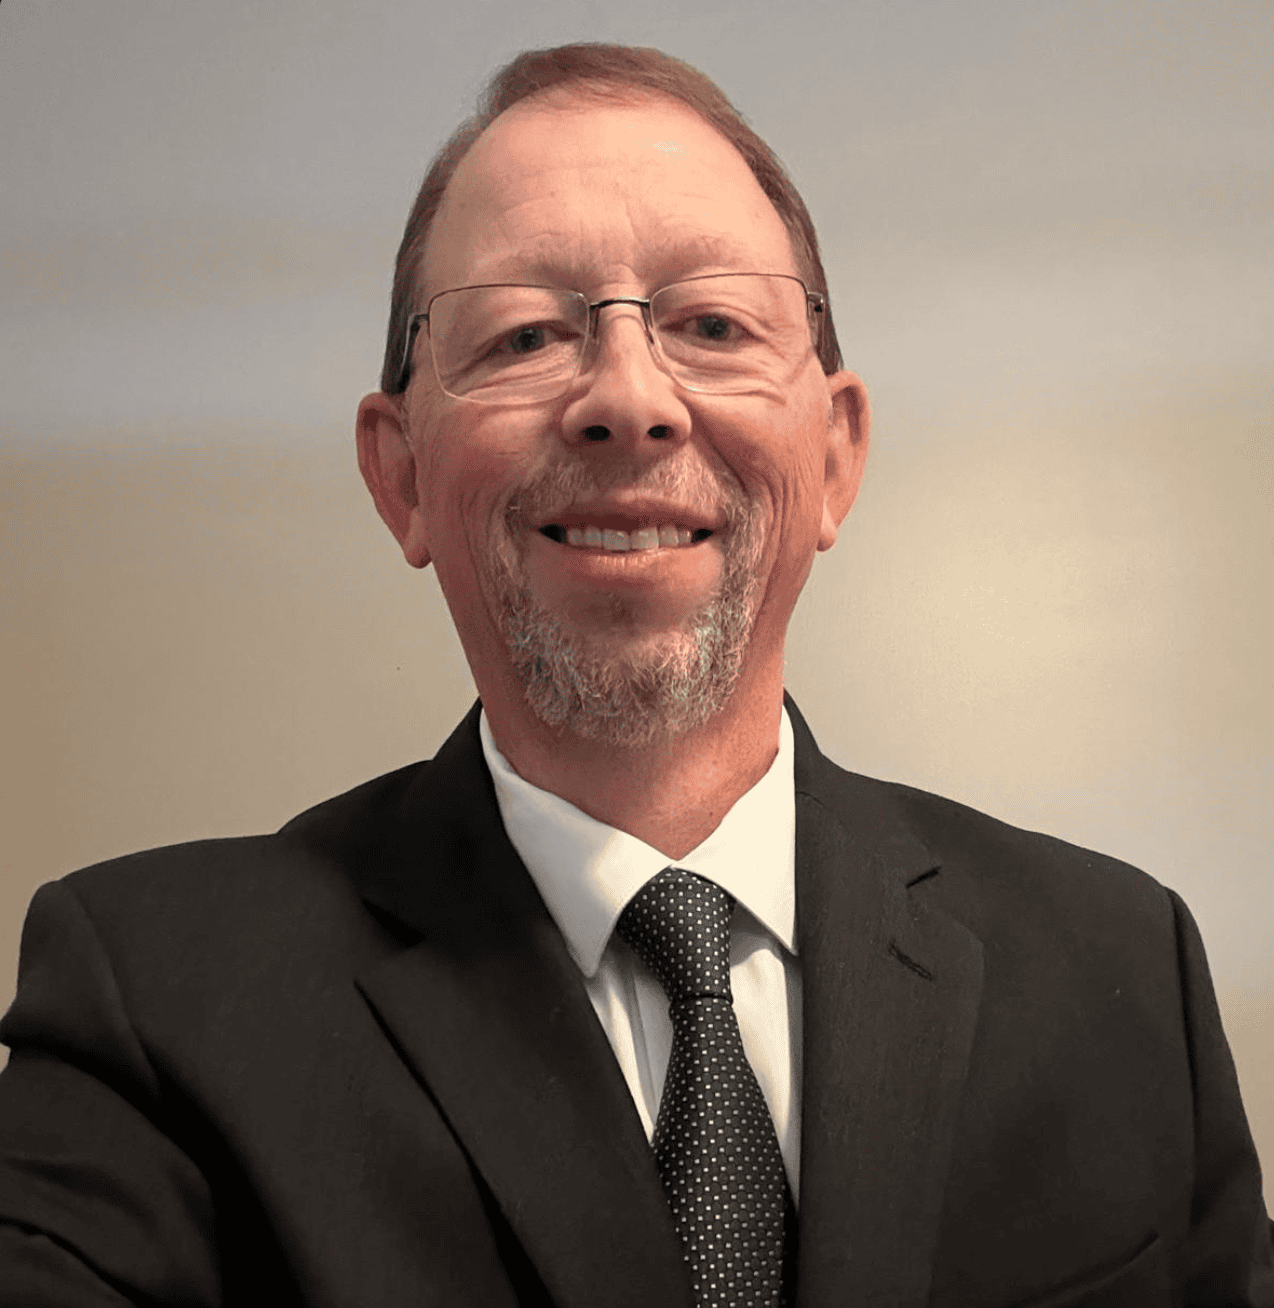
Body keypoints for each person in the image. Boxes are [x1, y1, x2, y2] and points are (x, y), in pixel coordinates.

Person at [0, 41, 1270, 1308]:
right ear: (399, 478)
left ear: (833, 457)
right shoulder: (151, 1006)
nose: (626, 398)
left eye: (711, 324)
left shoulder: (1119, 973)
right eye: (524, 335)